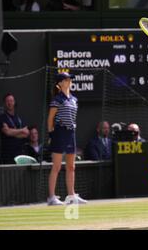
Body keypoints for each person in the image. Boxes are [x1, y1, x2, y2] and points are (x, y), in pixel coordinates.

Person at [47, 72, 87, 206]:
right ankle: (51, 197)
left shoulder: (74, 99)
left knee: (71, 167)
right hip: (59, 132)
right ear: (60, 83)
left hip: (71, 134)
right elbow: (50, 119)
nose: (70, 81)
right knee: (57, 166)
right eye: (67, 79)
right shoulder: (56, 99)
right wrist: (52, 135)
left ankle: (71, 196)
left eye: (69, 79)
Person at [0, 94, 29, 164]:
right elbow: (7, 132)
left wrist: (11, 131)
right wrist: (21, 130)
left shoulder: (18, 118)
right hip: (7, 155)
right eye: (7, 101)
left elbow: (26, 134)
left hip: (20, 154)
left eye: (11, 101)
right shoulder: (1, 118)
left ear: (14, 102)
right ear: (4, 104)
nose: (9, 103)